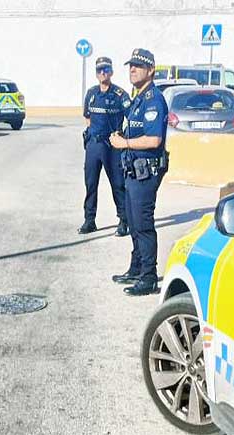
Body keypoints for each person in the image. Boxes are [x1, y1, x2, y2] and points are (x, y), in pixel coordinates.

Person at [109, 48, 169, 297]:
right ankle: (136, 268)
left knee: (143, 224)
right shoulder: (138, 99)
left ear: (151, 70)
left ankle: (148, 277)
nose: (132, 70)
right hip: (133, 169)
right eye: (130, 66)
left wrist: (124, 143)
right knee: (133, 222)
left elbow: (154, 140)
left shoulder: (154, 99)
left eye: (138, 66)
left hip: (146, 171)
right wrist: (122, 136)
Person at [79, 56, 131, 236]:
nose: (103, 73)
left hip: (112, 146)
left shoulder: (120, 95)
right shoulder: (91, 93)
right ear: (96, 73)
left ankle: (123, 220)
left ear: (111, 72)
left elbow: (132, 117)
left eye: (106, 69)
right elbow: (88, 117)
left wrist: (122, 136)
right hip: (94, 144)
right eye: (99, 70)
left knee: (118, 184)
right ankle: (89, 220)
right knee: (90, 184)